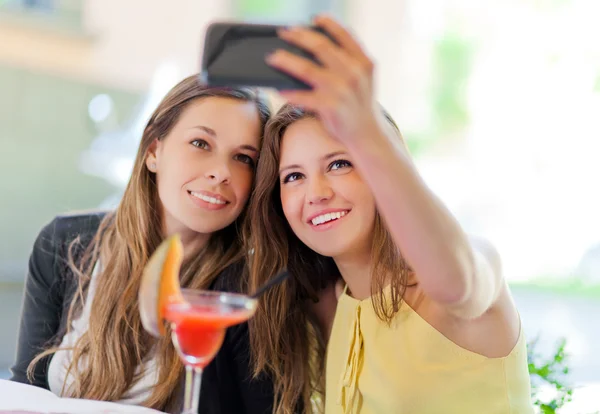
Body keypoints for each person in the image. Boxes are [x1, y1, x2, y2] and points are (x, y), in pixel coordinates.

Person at [246, 15, 534, 414]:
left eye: (339, 164)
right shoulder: (334, 303)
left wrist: (363, 126)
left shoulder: (469, 269)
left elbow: (455, 281)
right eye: (294, 176)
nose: (317, 193)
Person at [10, 75, 276, 413]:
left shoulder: (245, 292)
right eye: (201, 143)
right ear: (153, 151)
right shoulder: (64, 244)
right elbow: (26, 390)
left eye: (243, 158)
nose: (222, 172)